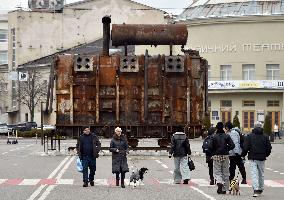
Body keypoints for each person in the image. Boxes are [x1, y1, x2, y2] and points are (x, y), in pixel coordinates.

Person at [242, 121, 272, 197]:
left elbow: (245, 147)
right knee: (261, 173)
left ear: (254, 127)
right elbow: (269, 148)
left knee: (254, 173)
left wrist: (243, 155)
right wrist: (265, 155)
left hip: (252, 157)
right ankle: (260, 188)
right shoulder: (265, 136)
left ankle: (255, 189)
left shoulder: (249, 136)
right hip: (262, 158)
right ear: (261, 127)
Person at [211, 122, 235, 194]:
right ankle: (224, 189)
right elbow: (233, 145)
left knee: (217, 171)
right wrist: (226, 149)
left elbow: (210, 146)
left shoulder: (214, 136)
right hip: (225, 155)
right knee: (225, 172)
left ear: (217, 128)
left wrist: (213, 151)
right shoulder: (226, 136)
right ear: (223, 128)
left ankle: (219, 182)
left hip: (216, 155)